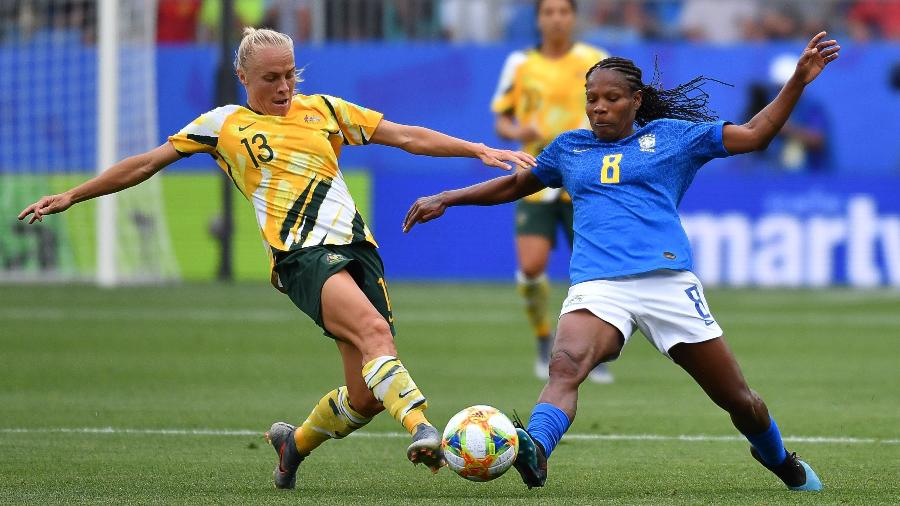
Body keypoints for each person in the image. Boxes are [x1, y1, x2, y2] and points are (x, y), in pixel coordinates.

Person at [18, 27, 535, 489]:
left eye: (290, 75)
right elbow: (146, 163)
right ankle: (424, 427)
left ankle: (294, 445)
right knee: (376, 335)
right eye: (270, 78)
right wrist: (73, 195)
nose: (284, 88)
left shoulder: (326, 111)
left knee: (366, 396)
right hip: (301, 258)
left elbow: (405, 135)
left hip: (359, 250)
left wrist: (477, 150)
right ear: (242, 75)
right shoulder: (223, 124)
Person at [404, 32, 840, 492]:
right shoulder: (569, 148)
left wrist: (797, 80)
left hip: (666, 283)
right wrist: (448, 198)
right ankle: (536, 446)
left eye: (612, 98)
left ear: (636, 100)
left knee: (738, 401)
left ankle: (779, 459)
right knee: (566, 365)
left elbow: (754, 135)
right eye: (591, 98)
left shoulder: (673, 137)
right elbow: (515, 185)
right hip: (599, 285)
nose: (599, 107)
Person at [492, 0, 613, 383]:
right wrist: (518, 133)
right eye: (549, 12)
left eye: (564, 11)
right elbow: (502, 120)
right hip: (538, 176)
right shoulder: (520, 63)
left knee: (593, 272)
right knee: (530, 268)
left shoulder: (596, 59)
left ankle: (594, 351)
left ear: (573, 17)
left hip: (584, 179)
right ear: (539, 19)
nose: (557, 18)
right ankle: (545, 338)